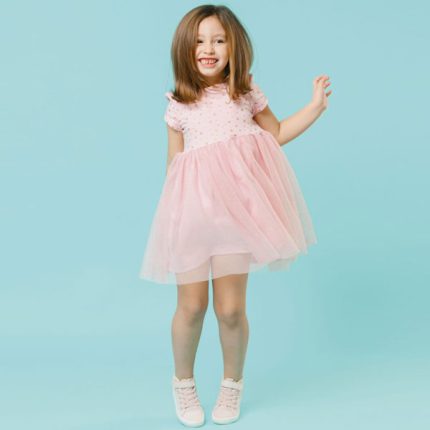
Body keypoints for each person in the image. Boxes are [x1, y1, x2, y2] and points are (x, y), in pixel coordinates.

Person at [139, 4, 332, 427]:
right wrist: (173, 224)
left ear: (233, 48)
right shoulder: (178, 105)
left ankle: (232, 384)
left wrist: (315, 107)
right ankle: (183, 382)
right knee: (191, 307)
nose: (208, 49)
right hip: (192, 218)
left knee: (230, 310)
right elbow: (174, 169)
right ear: (184, 49)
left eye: (218, 40)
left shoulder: (244, 93)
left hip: (234, 220)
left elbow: (276, 133)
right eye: (199, 41)